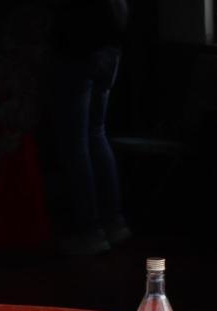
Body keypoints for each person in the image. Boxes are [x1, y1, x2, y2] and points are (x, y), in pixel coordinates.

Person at [49, 0, 130, 256]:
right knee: (96, 135)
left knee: (76, 145)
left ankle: (90, 230)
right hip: (108, 52)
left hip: (79, 51)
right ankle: (114, 222)